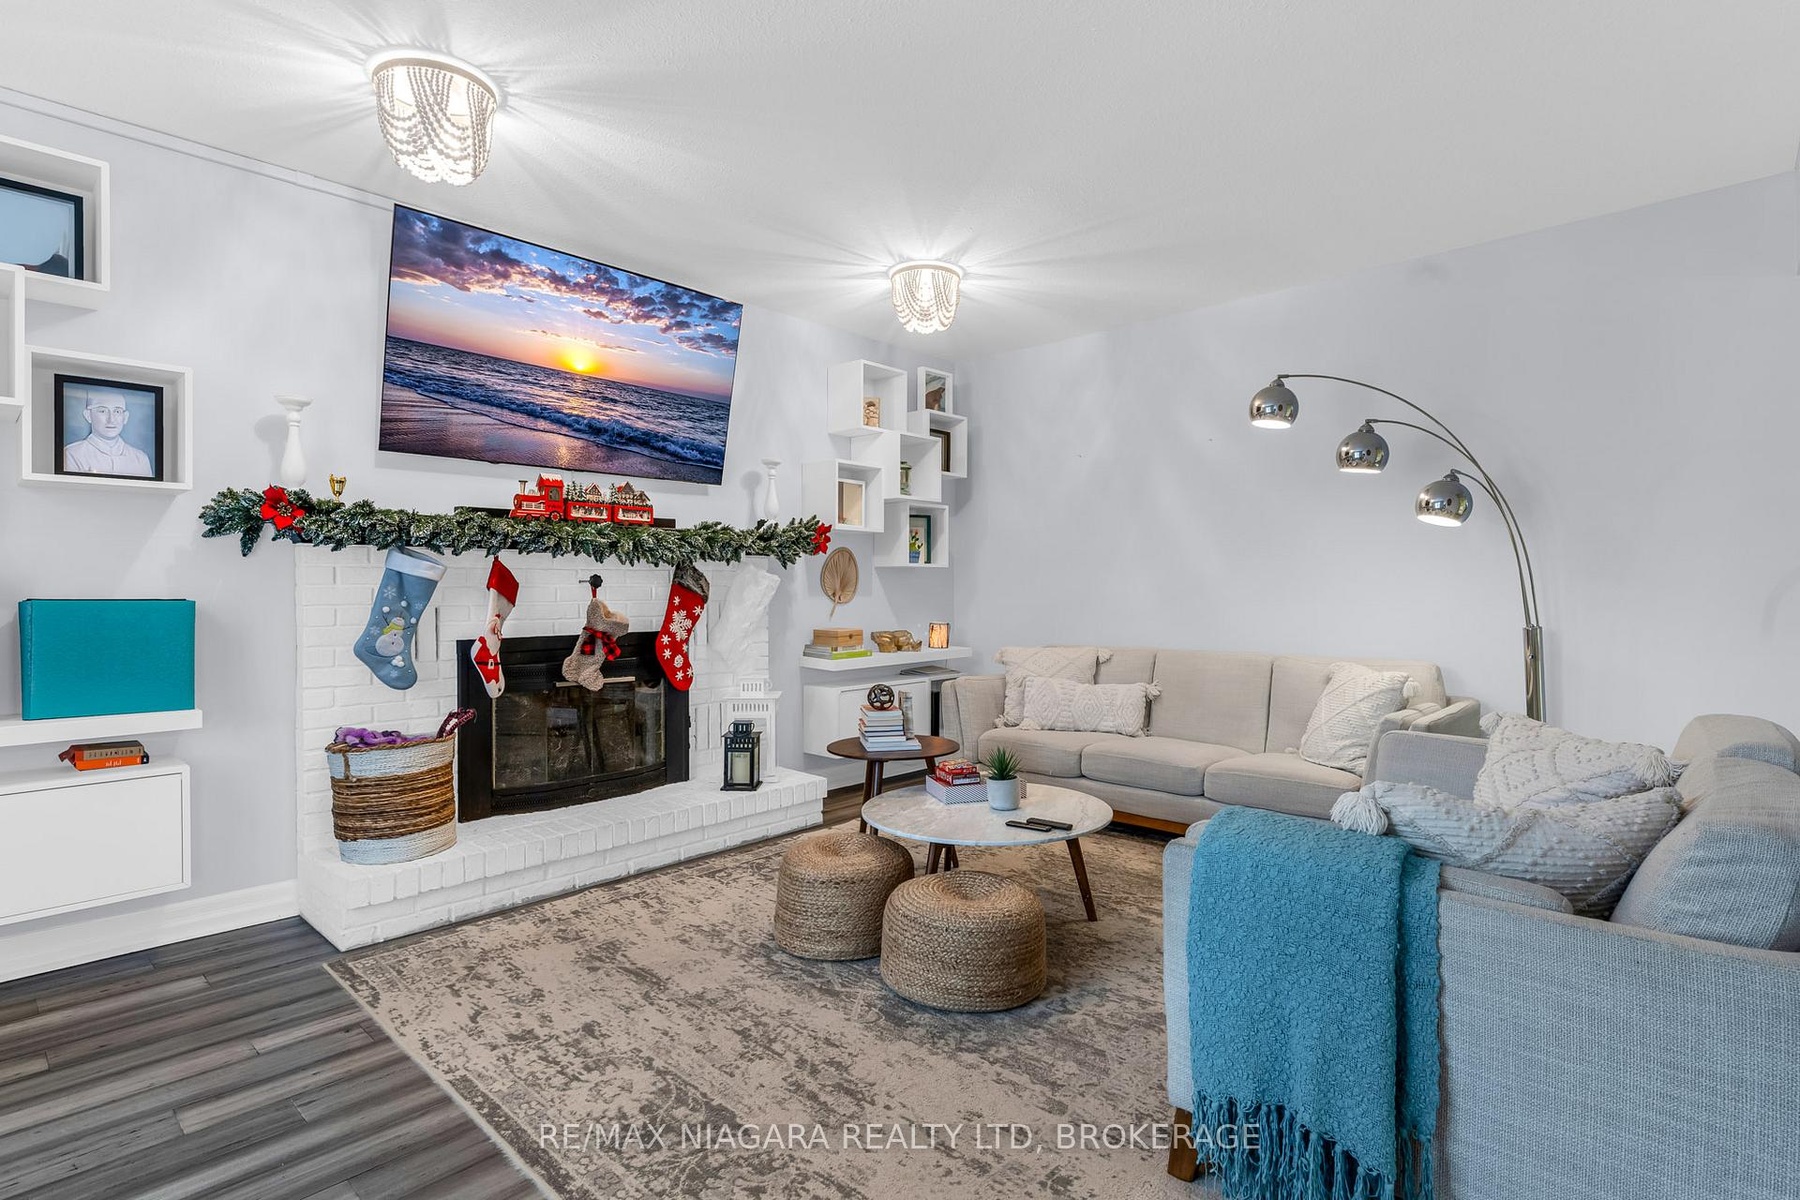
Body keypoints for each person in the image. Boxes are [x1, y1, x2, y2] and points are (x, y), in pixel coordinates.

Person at [63, 386, 153, 477]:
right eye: (102, 411)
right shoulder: (72, 454)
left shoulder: (141, 459)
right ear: (88, 415)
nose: (111, 420)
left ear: (125, 417)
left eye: (117, 411)